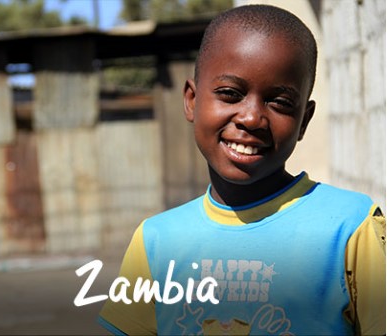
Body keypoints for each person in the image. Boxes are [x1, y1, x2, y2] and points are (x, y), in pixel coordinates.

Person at [98, 4, 386, 335]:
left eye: (279, 102)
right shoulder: (155, 242)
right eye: (230, 94)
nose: (251, 118)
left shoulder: (351, 228)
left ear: (303, 121)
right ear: (192, 100)